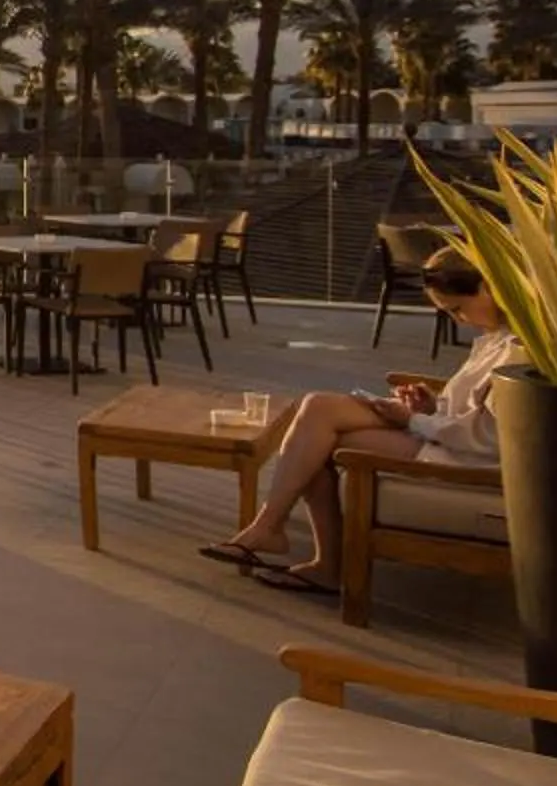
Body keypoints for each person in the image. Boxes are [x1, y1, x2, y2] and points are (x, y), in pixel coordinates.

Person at [199, 246, 518, 596]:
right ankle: (275, 531)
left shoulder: (518, 349)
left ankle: (292, 542)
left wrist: (414, 421)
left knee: (320, 444)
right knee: (317, 407)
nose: (459, 321)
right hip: (444, 433)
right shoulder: (495, 339)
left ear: (488, 286)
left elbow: (489, 437)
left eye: (457, 309)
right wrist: (433, 405)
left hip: (467, 459)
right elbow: (470, 408)